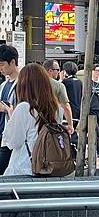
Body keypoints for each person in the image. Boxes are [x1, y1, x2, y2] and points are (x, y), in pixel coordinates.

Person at [1, 63, 59, 176]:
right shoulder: (55, 107)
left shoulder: (23, 108)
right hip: (48, 167)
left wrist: (12, 116)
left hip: (25, 168)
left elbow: (13, 143)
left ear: (23, 85)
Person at [0, 44, 19, 174]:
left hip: (12, 136)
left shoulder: (22, 83)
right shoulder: (4, 85)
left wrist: (6, 109)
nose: (0, 68)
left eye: (2, 64)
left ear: (13, 62)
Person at [43, 60, 74, 136]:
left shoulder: (34, 84)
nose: (59, 72)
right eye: (57, 70)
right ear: (50, 71)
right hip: (53, 125)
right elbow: (65, 106)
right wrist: (70, 124)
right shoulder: (59, 86)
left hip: (36, 124)